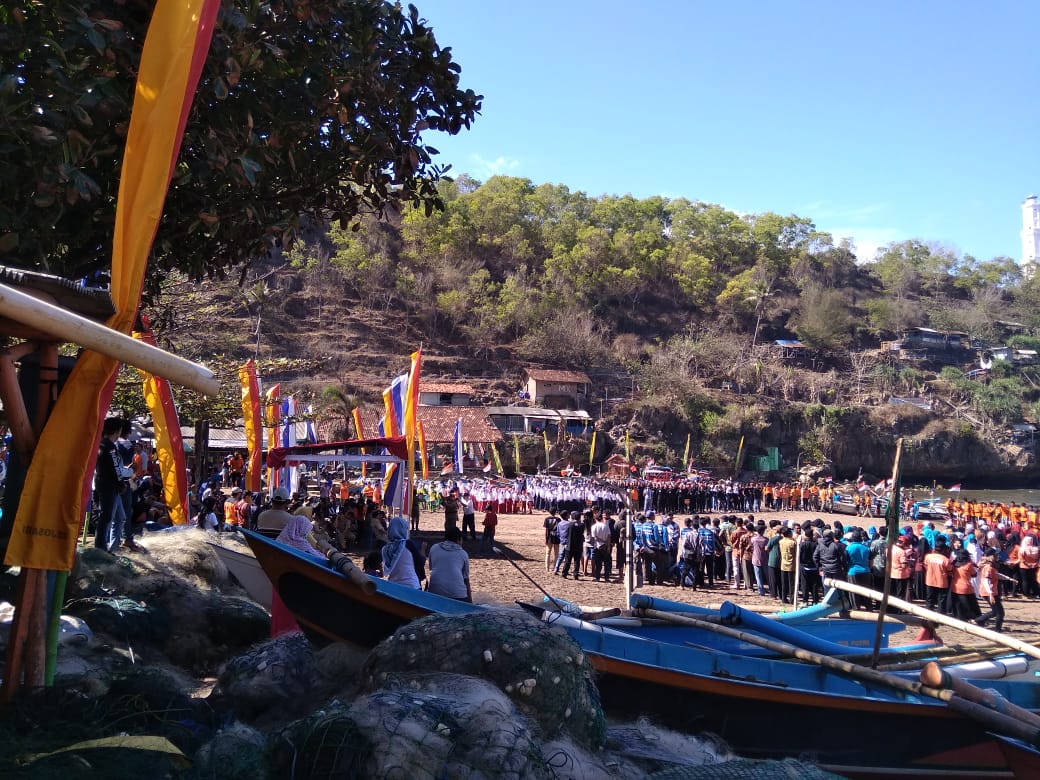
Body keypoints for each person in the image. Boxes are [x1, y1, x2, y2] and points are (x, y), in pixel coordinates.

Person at [94, 417, 129, 552]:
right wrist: (121, 484)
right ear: (117, 430)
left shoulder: (101, 444)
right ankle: (101, 547)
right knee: (106, 517)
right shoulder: (110, 447)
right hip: (109, 486)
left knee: (115, 517)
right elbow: (115, 469)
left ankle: (107, 546)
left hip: (102, 483)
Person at [427, 526, 471, 601]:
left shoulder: (434, 548)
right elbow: (466, 579)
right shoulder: (463, 554)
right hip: (457, 595)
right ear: (458, 540)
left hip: (434, 592)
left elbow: (432, 567)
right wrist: (470, 602)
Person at [382, 516, 421, 589]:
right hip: (411, 585)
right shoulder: (408, 544)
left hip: (393, 586)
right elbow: (419, 561)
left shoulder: (386, 548)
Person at [591, 512, 613, 582]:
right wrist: (608, 546)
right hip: (605, 546)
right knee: (606, 563)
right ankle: (607, 578)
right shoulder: (606, 526)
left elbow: (594, 537)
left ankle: (598, 577)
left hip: (597, 546)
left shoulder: (593, 527)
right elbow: (609, 536)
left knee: (598, 563)